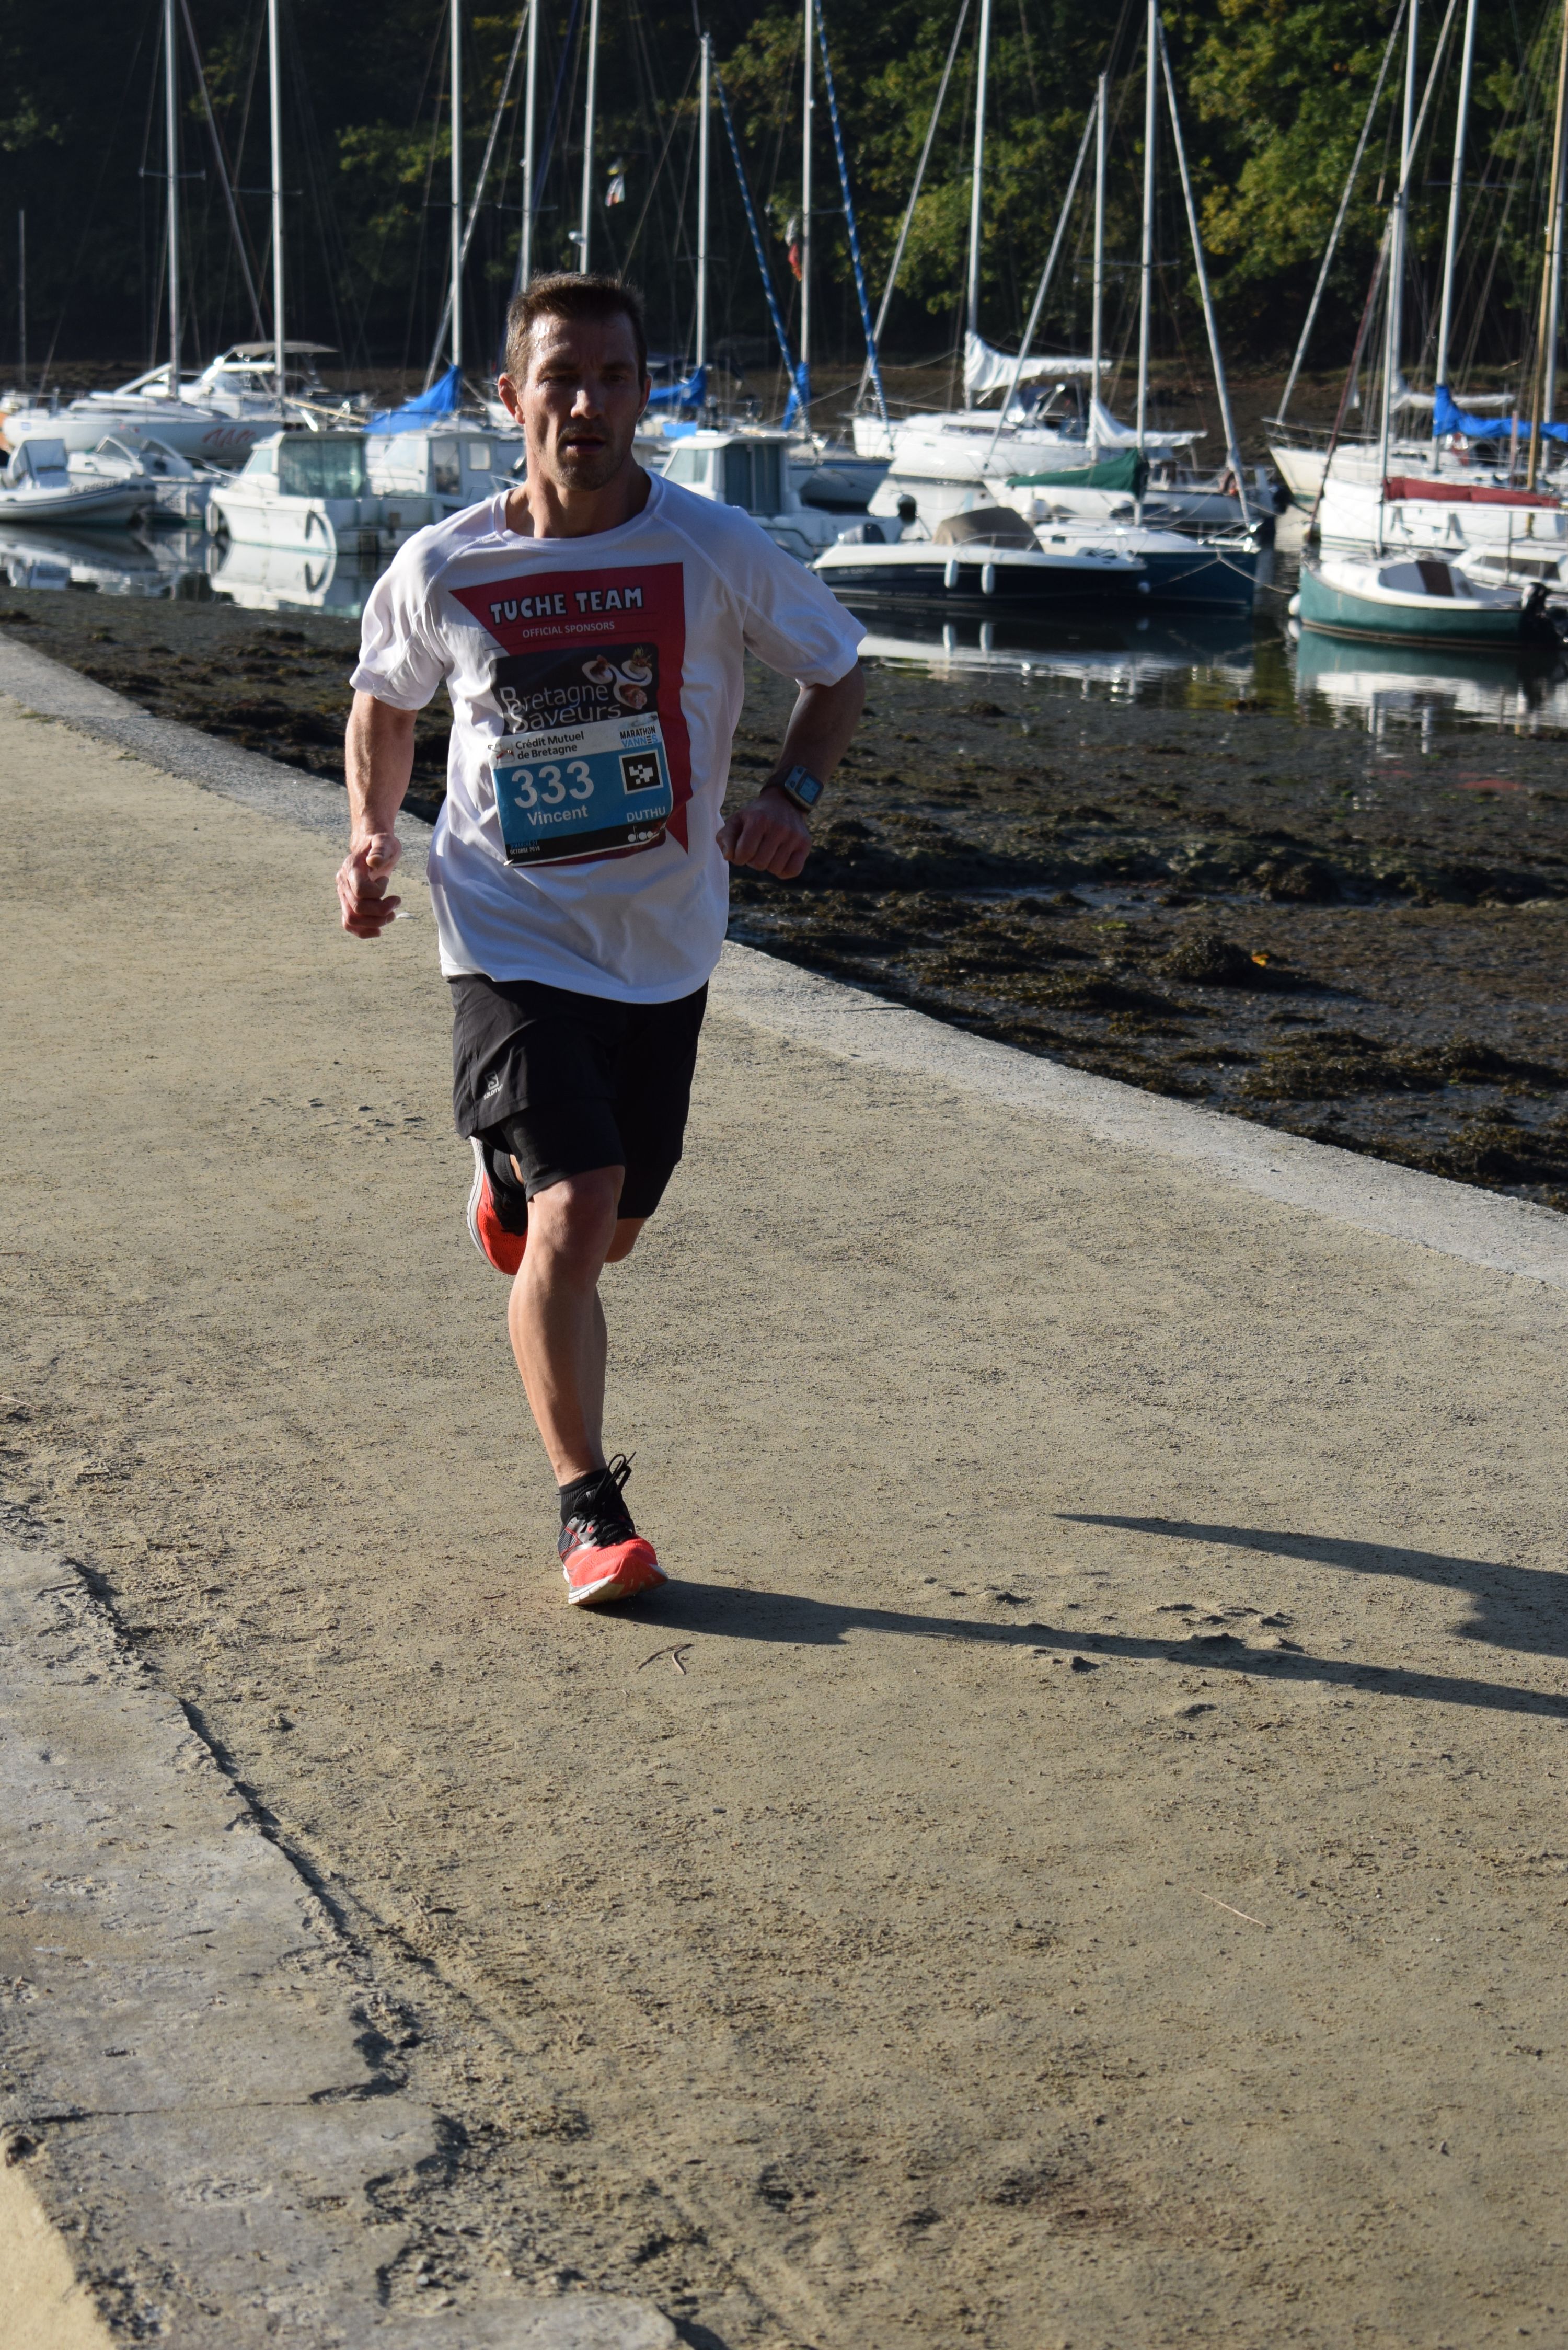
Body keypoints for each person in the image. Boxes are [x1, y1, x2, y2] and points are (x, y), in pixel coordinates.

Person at [336, 273, 865, 1607]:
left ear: (643, 395)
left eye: (613, 378)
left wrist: (790, 797)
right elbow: (385, 702)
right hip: (504, 932)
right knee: (578, 1213)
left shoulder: (710, 548)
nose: (587, 404)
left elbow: (840, 665)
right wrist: (370, 834)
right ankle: (588, 1508)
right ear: (510, 396)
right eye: (560, 378)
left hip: (664, 944)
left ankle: (504, 1189)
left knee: (608, 1230)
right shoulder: (445, 564)